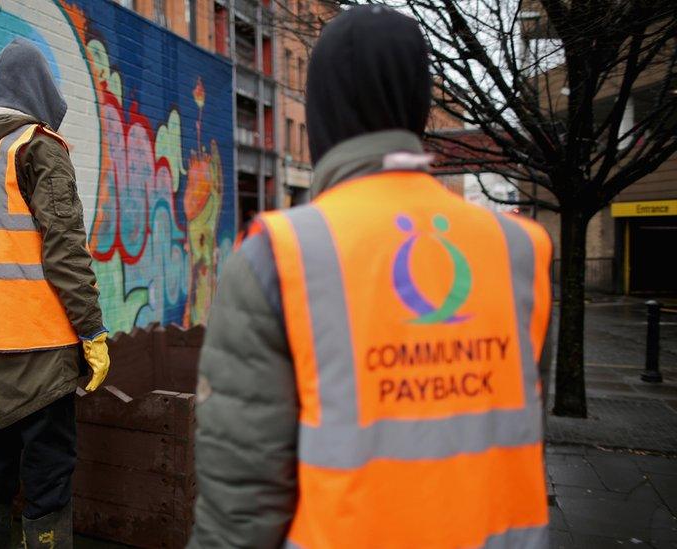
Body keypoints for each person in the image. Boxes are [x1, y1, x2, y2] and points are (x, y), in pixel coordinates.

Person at [190, 6, 552, 548]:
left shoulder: (278, 255)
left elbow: (241, 498)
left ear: (320, 115)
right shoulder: (521, 250)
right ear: (419, 106)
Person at [0, 38, 110, 549]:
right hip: (39, 348)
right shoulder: (36, 147)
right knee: (49, 476)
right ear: (39, 88)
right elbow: (66, 250)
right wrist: (92, 332)